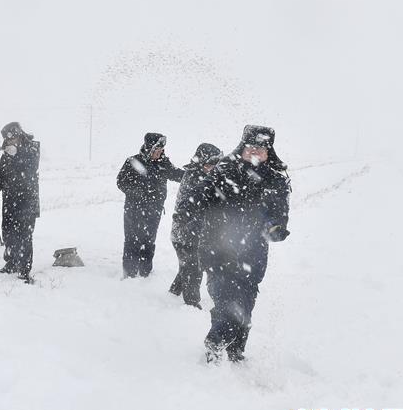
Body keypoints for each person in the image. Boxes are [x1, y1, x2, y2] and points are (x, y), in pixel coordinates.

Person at [182, 125, 291, 363]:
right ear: (242, 148)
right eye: (251, 148)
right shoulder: (224, 171)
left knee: (245, 309)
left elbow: (279, 215)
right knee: (227, 306)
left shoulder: (275, 179)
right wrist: (199, 219)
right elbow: (196, 199)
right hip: (218, 250)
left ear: (268, 152)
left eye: (261, 149)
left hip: (253, 255)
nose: (255, 153)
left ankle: (235, 352)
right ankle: (214, 346)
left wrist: (276, 228)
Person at [116, 133, 183, 278]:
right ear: (148, 149)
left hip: (154, 210)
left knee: (149, 239)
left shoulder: (163, 163)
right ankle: (129, 272)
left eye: (161, 150)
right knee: (132, 240)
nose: (159, 153)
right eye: (156, 150)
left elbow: (178, 175)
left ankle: (145, 272)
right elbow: (121, 181)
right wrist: (137, 192)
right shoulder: (133, 162)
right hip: (134, 209)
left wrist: (193, 175)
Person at [169, 143, 223, 309]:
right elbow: (196, 209)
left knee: (187, 265)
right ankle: (192, 304)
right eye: (209, 165)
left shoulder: (201, 176)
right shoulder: (196, 180)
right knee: (194, 269)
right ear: (201, 163)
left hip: (186, 233)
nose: (213, 168)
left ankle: (173, 292)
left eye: (215, 165)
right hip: (187, 235)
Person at [0, 122, 40, 283]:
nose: (10, 142)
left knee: (24, 235)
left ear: (19, 135)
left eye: (12, 138)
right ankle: (11, 262)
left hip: (26, 201)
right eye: (7, 140)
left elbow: (29, 171)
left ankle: (24, 269)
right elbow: (0, 174)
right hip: (10, 200)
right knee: (9, 232)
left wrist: (17, 155)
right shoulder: (7, 154)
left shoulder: (31, 150)